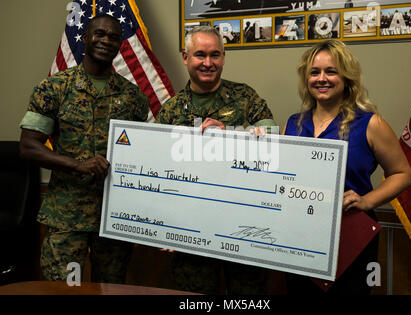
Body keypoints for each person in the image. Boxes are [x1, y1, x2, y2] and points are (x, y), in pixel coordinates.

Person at [19, 15, 149, 283]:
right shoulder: (54, 89)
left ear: (120, 44)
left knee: (110, 288)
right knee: (68, 288)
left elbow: (142, 154)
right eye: (99, 34)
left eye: (113, 37)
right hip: (67, 219)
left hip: (113, 219)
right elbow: (28, 147)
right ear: (85, 38)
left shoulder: (134, 98)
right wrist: (78, 165)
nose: (106, 40)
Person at [283, 39, 411, 295]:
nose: (322, 79)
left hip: (352, 236)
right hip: (300, 237)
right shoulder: (294, 123)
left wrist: (366, 201)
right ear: (306, 78)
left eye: (331, 71)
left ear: (346, 77)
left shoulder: (370, 123)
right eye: (314, 72)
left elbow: (403, 174)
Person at [156, 26, 275, 294]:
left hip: (244, 226)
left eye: (215, 55)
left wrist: (230, 137)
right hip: (190, 229)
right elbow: (158, 172)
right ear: (185, 57)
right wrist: (161, 224)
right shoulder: (171, 110)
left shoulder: (246, 98)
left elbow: (272, 143)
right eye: (200, 55)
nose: (208, 63)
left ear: (224, 57)